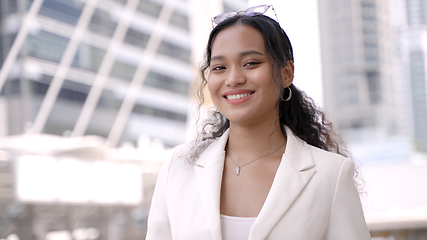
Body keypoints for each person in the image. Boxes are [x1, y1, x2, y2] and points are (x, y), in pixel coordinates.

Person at [146, 5, 371, 240]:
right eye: (220, 67)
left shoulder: (331, 175)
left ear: (286, 73)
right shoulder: (178, 167)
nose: (233, 79)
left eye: (251, 63)